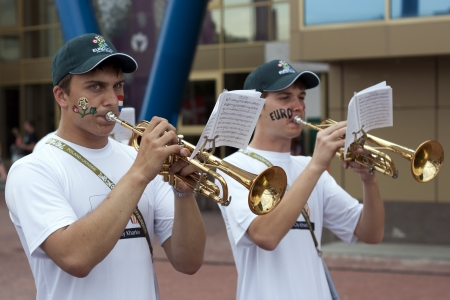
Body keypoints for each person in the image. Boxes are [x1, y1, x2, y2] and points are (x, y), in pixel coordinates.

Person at [5, 33, 206, 300]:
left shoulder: (139, 160)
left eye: (118, 86)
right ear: (62, 96)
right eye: (96, 87)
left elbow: (189, 261)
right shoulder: (33, 170)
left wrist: (183, 191)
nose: (112, 100)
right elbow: (76, 257)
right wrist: (140, 172)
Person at [217, 60, 384, 300]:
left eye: (302, 97)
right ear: (255, 107)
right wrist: (317, 165)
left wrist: (369, 181)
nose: (298, 107)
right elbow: (266, 236)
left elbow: (371, 233)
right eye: (285, 98)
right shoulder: (232, 167)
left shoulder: (306, 166)